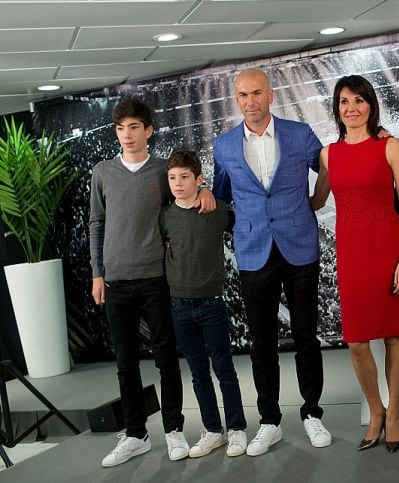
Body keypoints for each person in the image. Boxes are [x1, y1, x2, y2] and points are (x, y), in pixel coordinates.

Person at [89, 98, 215, 467]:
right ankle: (135, 434)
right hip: (115, 281)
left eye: (133, 127)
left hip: (157, 278)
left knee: (165, 359)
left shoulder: (163, 171)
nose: (126, 135)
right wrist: (97, 272)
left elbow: (185, 195)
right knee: (125, 363)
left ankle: (174, 429)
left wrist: (205, 193)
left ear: (148, 130)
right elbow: (97, 223)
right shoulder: (103, 172)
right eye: (120, 128)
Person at [212, 68, 331, 457]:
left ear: (271, 95)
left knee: (306, 336)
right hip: (253, 250)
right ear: (237, 100)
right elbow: (223, 194)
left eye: (257, 93)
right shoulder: (224, 146)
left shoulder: (299, 134)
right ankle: (269, 421)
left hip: (298, 246)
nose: (250, 101)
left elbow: (329, 165)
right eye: (243, 95)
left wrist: (318, 199)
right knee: (261, 342)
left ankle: (312, 413)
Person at [310, 75, 399, 453]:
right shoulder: (328, 154)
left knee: (391, 335)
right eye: (343, 102)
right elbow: (317, 201)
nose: (351, 108)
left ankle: (396, 412)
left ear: (370, 104)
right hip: (351, 254)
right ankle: (376, 411)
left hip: (387, 249)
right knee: (356, 342)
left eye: (358, 100)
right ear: (336, 109)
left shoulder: (390, 147)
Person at [160, 150, 248, 458]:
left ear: (199, 179)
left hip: (211, 303)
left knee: (224, 368)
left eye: (185, 177)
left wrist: (209, 194)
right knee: (198, 373)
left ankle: (237, 428)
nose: (178, 183)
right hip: (179, 304)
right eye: (172, 178)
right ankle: (213, 430)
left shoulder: (217, 210)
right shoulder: (165, 216)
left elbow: (243, 226)